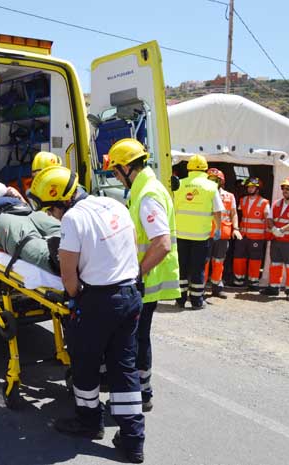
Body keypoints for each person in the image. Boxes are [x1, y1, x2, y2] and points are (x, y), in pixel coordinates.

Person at [30, 166, 145, 463]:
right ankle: (133, 439)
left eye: (50, 210)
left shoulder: (73, 218)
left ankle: (89, 422)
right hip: (130, 295)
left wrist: (77, 300)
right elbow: (131, 247)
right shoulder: (114, 203)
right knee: (124, 367)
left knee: (85, 364)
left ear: (59, 202)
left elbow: (69, 277)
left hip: (98, 301)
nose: (52, 216)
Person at [106, 138, 180, 413]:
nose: (115, 177)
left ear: (127, 168)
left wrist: (136, 274)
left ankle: (140, 394)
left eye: (115, 171)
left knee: (135, 339)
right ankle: (141, 391)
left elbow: (161, 243)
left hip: (146, 281)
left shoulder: (147, 194)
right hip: (146, 279)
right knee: (138, 337)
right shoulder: (143, 189)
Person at [173, 154, 223, 309]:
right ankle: (196, 301)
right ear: (205, 169)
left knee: (181, 267)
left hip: (180, 234)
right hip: (200, 237)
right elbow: (217, 211)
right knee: (197, 268)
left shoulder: (179, 185)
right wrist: (219, 228)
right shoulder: (211, 187)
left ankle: (180, 299)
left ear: (188, 169)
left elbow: (172, 208)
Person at [204, 168, 241, 298]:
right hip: (205, 233)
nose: (213, 182)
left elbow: (233, 213)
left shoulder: (229, 196)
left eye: (216, 180)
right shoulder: (203, 194)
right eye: (210, 179)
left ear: (221, 181)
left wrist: (236, 228)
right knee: (205, 262)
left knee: (219, 261)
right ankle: (200, 288)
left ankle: (217, 287)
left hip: (223, 234)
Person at [232, 177, 271, 290]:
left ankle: (253, 282)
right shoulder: (242, 200)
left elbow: (268, 220)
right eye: (248, 187)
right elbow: (238, 216)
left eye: (252, 187)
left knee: (255, 259)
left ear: (258, 189)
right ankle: (238, 280)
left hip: (257, 237)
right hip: (242, 235)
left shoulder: (264, 202)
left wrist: (268, 234)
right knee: (238, 257)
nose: (249, 189)